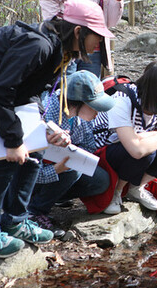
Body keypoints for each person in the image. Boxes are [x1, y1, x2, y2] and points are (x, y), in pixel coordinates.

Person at [0, 0, 114, 258]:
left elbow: (32, 91)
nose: (98, 46)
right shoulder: (38, 45)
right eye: (97, 37)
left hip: (1, 93)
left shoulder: (60, 51)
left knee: (35, 146)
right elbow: (1, 91)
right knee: (6, 159)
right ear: (79, 32)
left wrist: (45, 126)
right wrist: (13, 141)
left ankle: (15, 219)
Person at [92, 60, 157, 215]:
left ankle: (136, 187)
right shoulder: (122, 100)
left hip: (131, 150)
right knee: (148, 151)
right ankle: (116, 192)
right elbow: (136, 150)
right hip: (103, 154)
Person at [27, 70, 115, 233]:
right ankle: (33, 211)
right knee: (73, 170)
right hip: (34, 175)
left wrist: (75, 152)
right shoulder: (45, 115)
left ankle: (55, 197)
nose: (98, 113)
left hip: (63, 168)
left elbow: (89, 146)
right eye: (94, 107)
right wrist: (56, 170)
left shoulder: (81, 116)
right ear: (78, 102)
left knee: (101, 181)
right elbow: (28, 170)